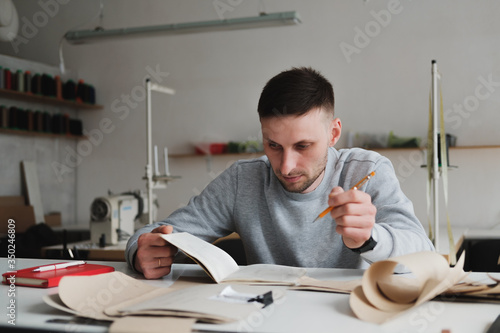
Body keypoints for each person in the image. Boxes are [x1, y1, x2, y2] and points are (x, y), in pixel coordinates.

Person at [126, 67, 434, 279]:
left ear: (333, 133)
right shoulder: (242, 180)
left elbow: (426, 259)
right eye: (273, 145)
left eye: (303, 146)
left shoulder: (367, 171)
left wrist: (370, 238)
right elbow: (153, 234)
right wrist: (140, 253)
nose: (285, 167)